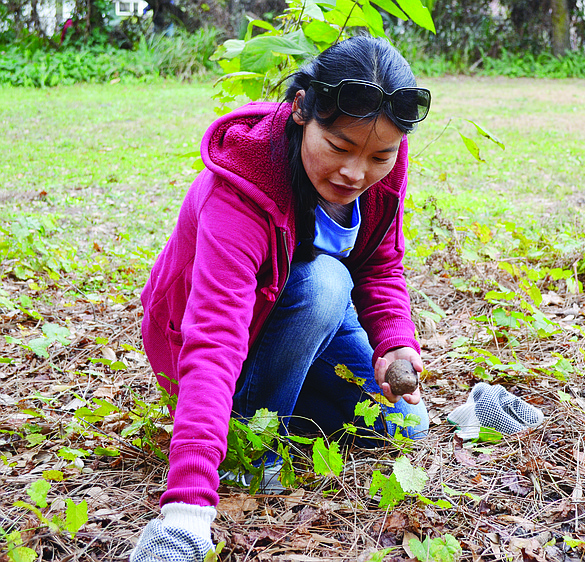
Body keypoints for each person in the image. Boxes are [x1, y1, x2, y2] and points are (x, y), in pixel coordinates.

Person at [130, 36, 431, 561]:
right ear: (300, 112)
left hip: (297, 326)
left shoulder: (382, 160)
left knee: (405, 427)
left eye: (380, 156)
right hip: (217, 343)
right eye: (338, 148)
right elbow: (214, 342)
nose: (356, 173)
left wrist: (395, 343)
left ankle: (466, 412)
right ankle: (247, 450)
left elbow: (380, 262)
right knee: (325, 283)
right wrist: (187, 508)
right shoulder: (240, 190)